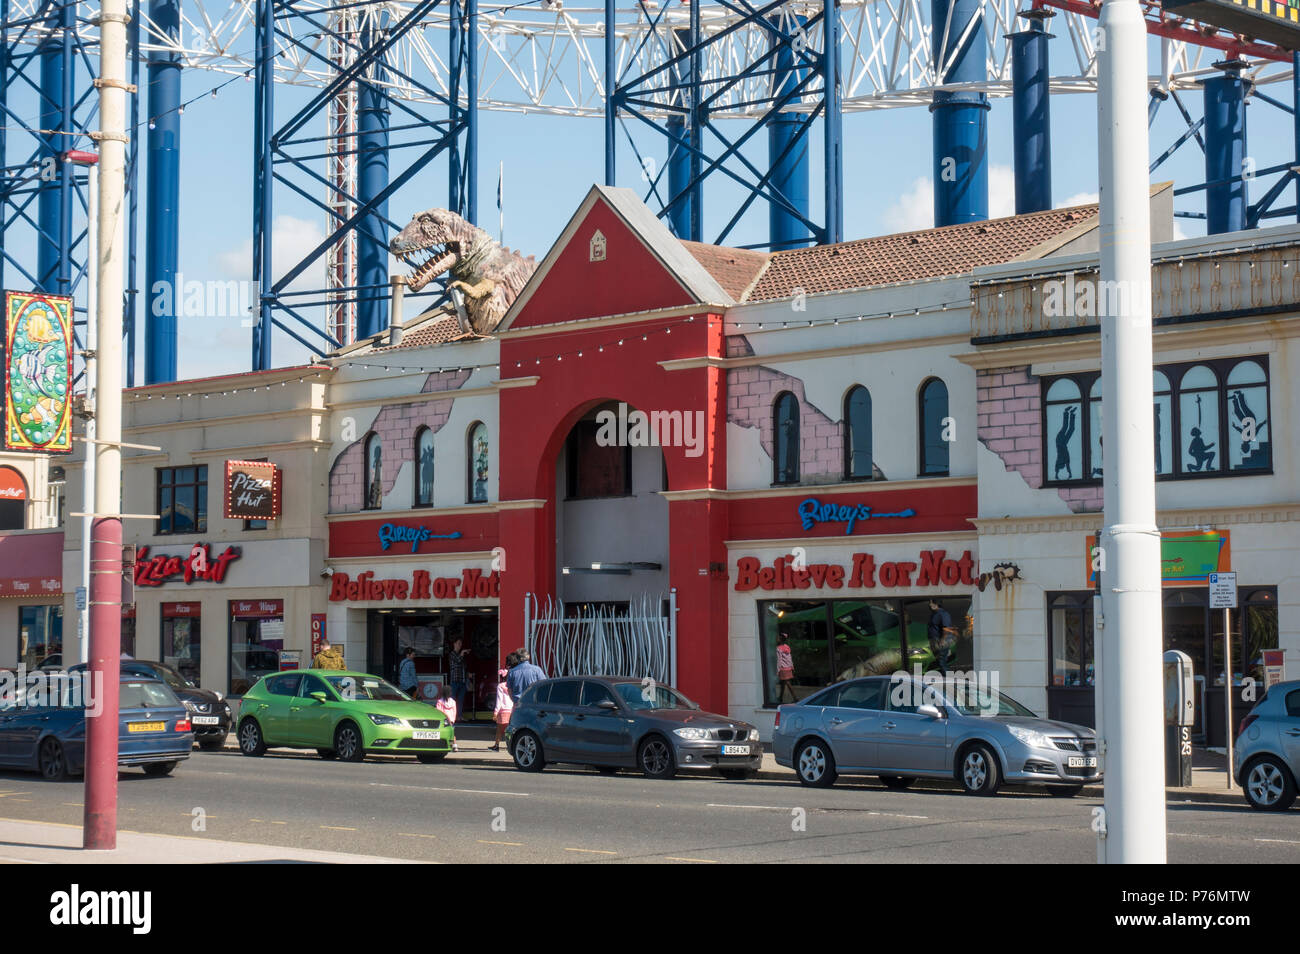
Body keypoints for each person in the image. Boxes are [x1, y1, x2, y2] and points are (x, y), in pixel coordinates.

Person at [927, 599, 958, 677]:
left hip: (941, 640)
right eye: (930, 603)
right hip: (935, 640)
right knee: (939, 661)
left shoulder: (943, 614)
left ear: (937, 603)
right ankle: (944, 678)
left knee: (942, 661)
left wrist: (943, 640)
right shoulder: (934, 614)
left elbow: (946, 628)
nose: (930, 605)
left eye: (932, 603)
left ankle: (950, 679)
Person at [447, 637, 470, 721]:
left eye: (461, 644)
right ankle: (452, 716)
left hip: (462, 680)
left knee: (461, 700)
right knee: (452, 700)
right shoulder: (452, 654)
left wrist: (468, 675)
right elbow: (457, 661)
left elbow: (464, 667)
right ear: (454, 644)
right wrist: (462, 653)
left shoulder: (461, 655)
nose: (460, 645)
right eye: (458, 643)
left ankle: (459, 716)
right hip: (455, 680)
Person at [490, 668, 513, 751]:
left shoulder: (500, 686)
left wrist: (495, 712)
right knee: (509, 730)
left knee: (499, 730)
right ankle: (510, 746)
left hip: (503, 711)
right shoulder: (511, 686)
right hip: (511, 710)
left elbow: (499, 700)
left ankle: (496, 746)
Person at [436, 684, 459, 751]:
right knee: (452, 732)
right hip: (451, 720)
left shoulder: (440, 701)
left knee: (442, 732)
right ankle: (455, 745)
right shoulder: (453, 702)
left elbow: (439, 711)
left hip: (444, 720)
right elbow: (455, 712)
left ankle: (442, 744)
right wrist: (453, 719)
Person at [775, 637, 796, 702]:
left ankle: (795, 698)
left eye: (778, 638)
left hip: (783, 668)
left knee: (787, 683)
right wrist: (792, 666)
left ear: (781, 640)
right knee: (783, 683)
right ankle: (780, 697)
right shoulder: (787, 646)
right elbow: (790, 657)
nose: (776, 639)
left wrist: (778, 670)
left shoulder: (778, 648)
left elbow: (779, 660)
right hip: (788, 667)